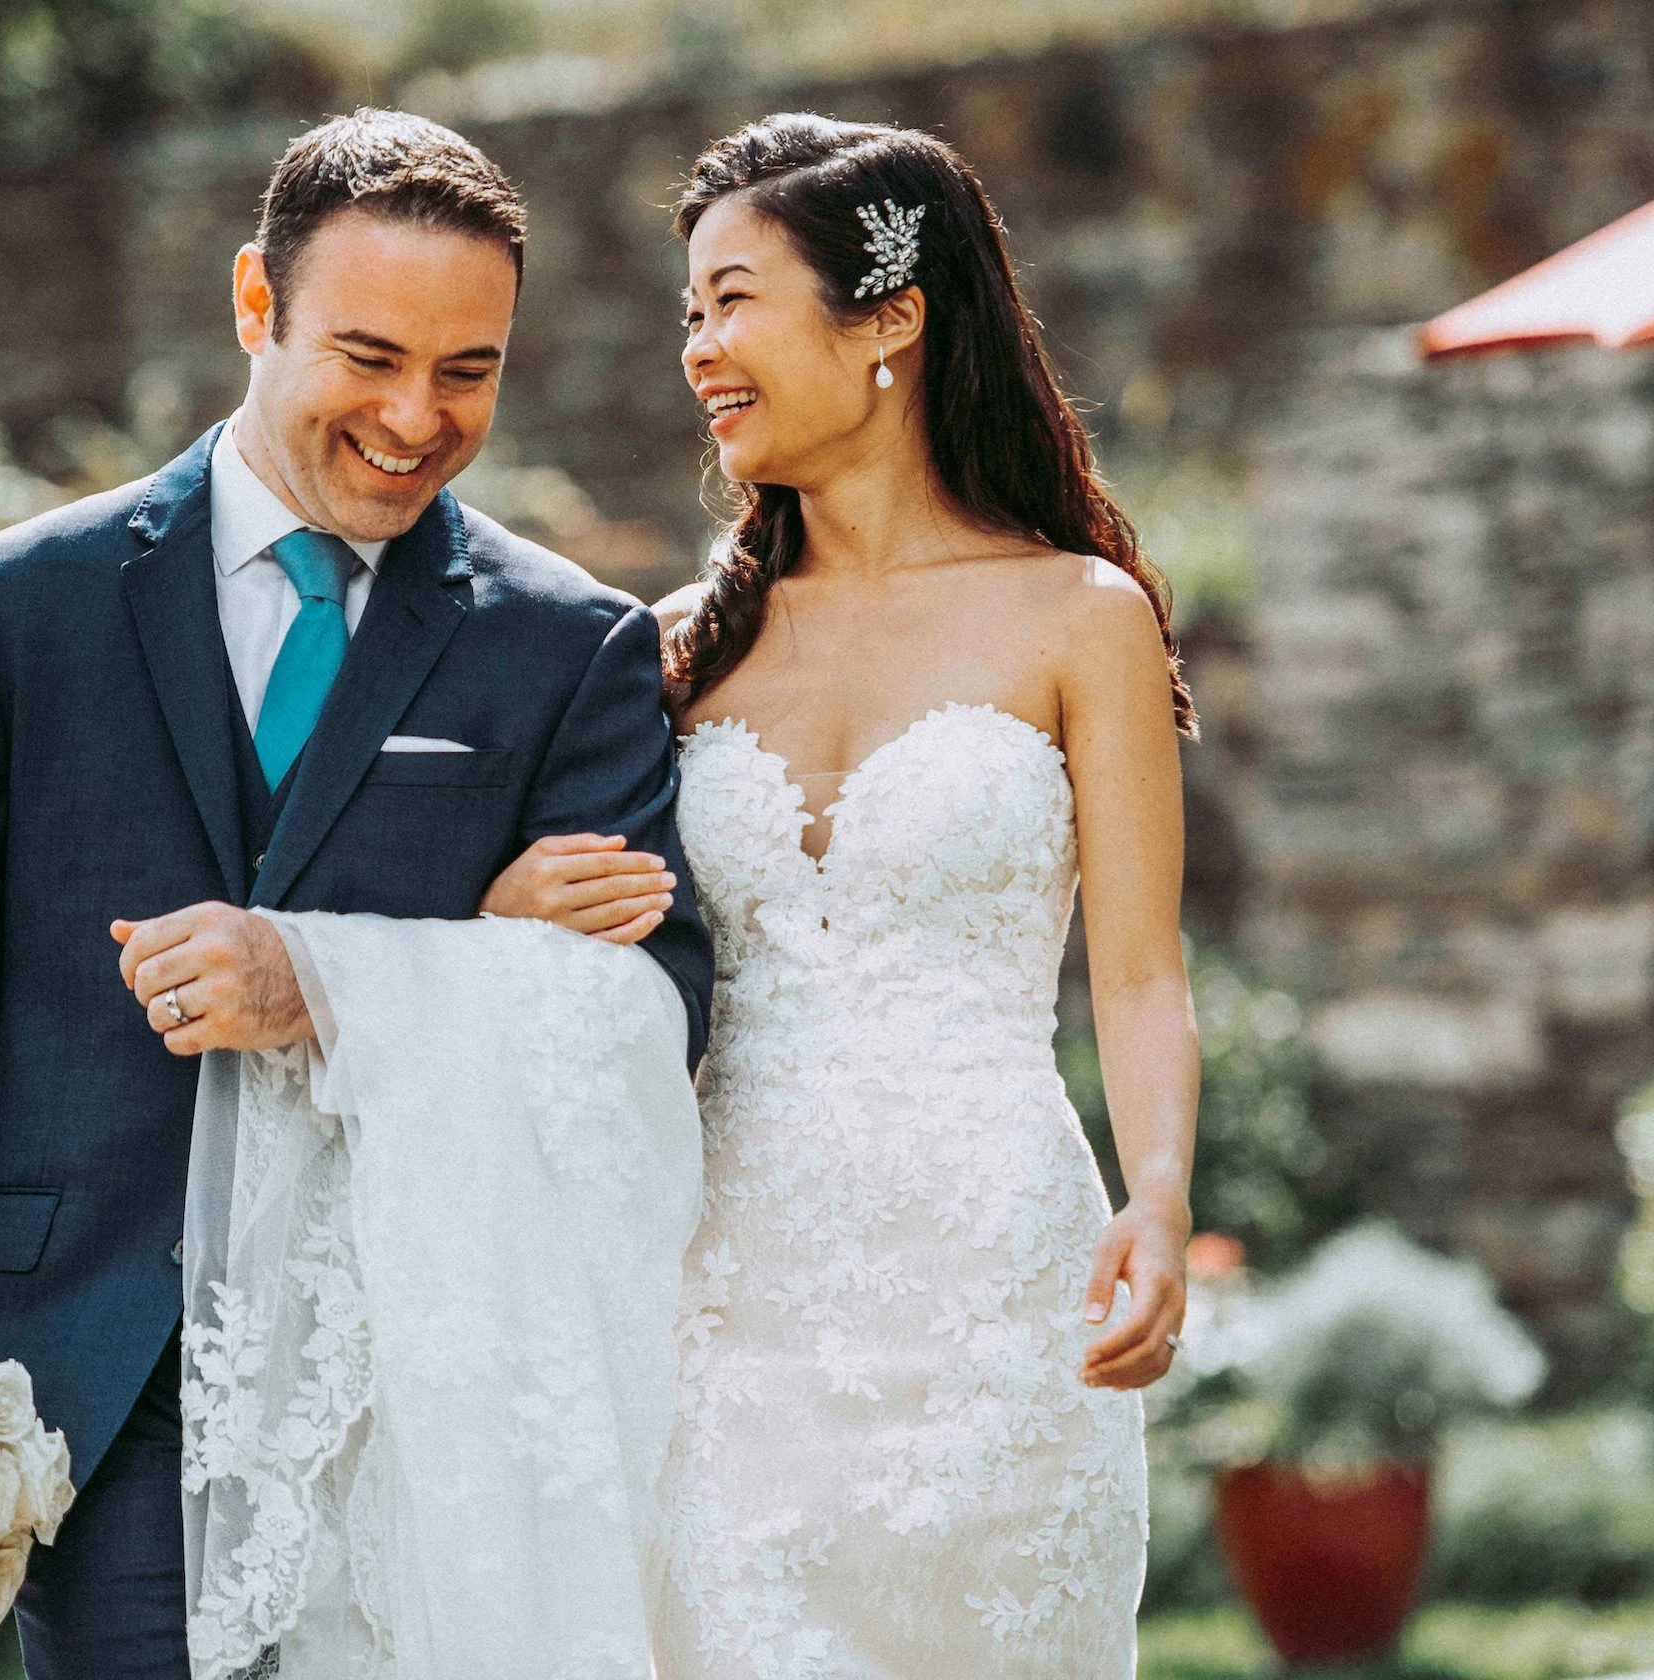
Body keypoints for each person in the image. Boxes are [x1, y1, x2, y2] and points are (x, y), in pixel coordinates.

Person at [0, 108, 713, 1680]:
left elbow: (654, 1021)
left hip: (425, 1396)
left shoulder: (568, 646)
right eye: (370, 356)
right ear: (256, 302)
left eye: (468, 372)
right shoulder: (27, 604)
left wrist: (336, 977)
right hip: (94, 1384)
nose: (416, 418)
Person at [485, 112, 1199, 1676]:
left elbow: (1142, 973)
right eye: (689, 312)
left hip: (1000, 1294)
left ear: (887, 320)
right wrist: (511, 911)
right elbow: (587, 968)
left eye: (733, 301)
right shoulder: (671, 650)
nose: (699, 348)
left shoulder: (1082, 618)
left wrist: (1157, 1200)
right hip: (724, 1311)